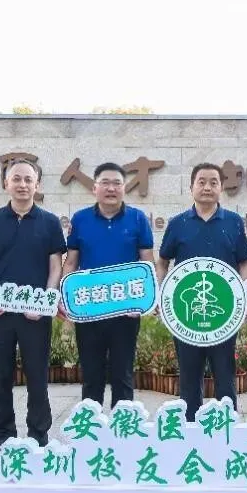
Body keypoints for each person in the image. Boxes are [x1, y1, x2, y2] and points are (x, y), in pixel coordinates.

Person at [0, 159, 66, 463]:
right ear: (5, 183)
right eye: (16, 179)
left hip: (35, 316)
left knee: (37, 377)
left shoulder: (50, 222)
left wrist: (46, 301)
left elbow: (55, 267)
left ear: (37, 185)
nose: (22, 184)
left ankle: (38, 436)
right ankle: (4, 438)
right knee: (0, 377)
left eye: (28, 179)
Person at [157, 162, 247, 421]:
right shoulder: (178, 223)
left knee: (225, 376)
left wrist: (243, 294)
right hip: (185, 315)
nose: (207, 187)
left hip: (224, 314)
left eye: (213, 182)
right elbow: (163, 261)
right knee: (189, 377)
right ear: (191, 187)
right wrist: (161, 294)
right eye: (201, 182)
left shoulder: (233, 222)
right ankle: (190, 428)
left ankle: (226, 428)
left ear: (221, 188)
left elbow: (244, 262)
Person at [61, 162, 154, 409]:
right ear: (95, 188)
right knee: (91, 375)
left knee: (123, 374)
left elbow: (147, 264)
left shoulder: (138, 219)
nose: (111, 188)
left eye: (116, 183)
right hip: (89, 309)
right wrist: (64, 298)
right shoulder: (80, 219)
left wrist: (145, 302)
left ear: (124, 188)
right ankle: (91, 425)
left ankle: (123, 427)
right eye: (105, 183)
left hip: (126, 311)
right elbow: (71, 262)